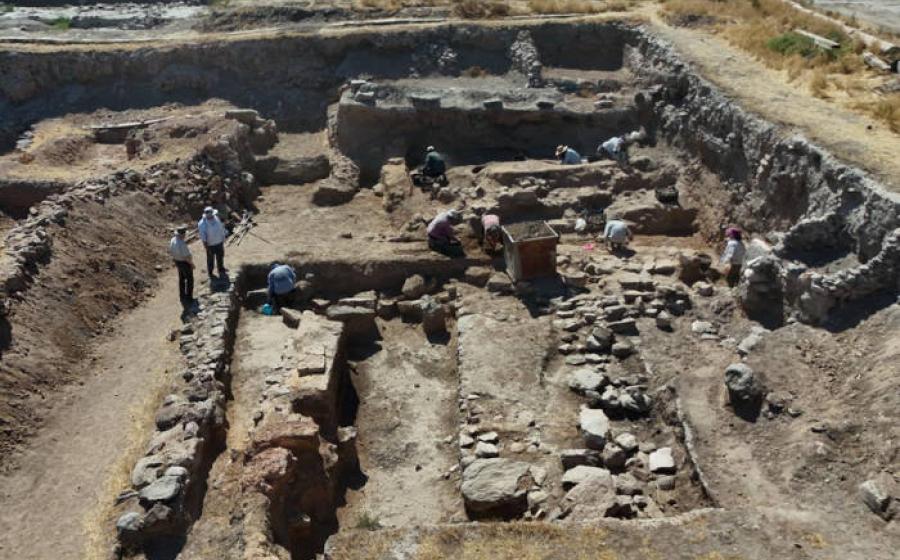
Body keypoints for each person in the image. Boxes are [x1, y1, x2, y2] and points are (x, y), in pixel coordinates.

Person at [198, 206, 228, 278]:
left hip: (219, 242)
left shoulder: (216, 218)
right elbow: (203, 237)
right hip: (210, 245)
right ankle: (210, 272)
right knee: (210, 259)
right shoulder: (202, 224)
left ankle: (221, 269)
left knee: (220, 256)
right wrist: (206, 247)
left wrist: (223, 238)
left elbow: (221, 228)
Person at [168, 225, 194, 305]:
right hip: (184, 262)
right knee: (190, 280)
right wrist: (192, 264)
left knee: (181, 279)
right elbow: (186, 256)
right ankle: (189, 297)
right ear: (182, 234)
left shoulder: (173, 240)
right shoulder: (181, 243)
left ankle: (182, 295)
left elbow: (171, 251)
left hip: (177, 261)